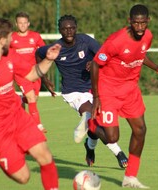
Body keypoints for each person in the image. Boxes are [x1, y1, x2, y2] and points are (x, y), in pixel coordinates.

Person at [0, 17, 61, 190]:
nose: (12, 40)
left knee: (45, 156)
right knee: (24, 177)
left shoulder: (10, 56)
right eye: (9, 37)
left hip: (17, 116)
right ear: (2, 40)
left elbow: (31, 74)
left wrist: (49, 59)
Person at [90, 4, 158, 188]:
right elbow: (96, 64)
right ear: (129, 21)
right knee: (112, 138)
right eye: (136, 23)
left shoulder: (148, 36)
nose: (139, 27)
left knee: (140, 130)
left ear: (148, 21)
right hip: (109, 90)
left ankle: (130, 177)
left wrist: (157, 68)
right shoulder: (116, 41)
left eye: (142, 23)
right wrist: (97, 97)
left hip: (130, 89)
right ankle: (90, 123)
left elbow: (140, 54)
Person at [35, 14, 128, 168]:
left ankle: (89, 147)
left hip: (95, 88)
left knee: (94, 126)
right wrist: (43, 79)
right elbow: (38, 53)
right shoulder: (55, 48)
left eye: (71, 28)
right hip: (73, 92)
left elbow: (104, 55)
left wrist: (94, 62)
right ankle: (119, 153)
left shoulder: (85, 41)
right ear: (60, 30)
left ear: (76, 28)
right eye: (65, 29)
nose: (69, 31)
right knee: (94, 117)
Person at [10, 11, 47, 133]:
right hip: (20, 74)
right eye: (20, 23)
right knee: (31, 98)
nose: (22, 25)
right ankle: (37, 126)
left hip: (35, 72)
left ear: (28, 23)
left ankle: (21, 100)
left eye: (25, 23)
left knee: (33, 99)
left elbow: (43, 51)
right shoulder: (11, 38)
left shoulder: (36, 36)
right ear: (16, 24)